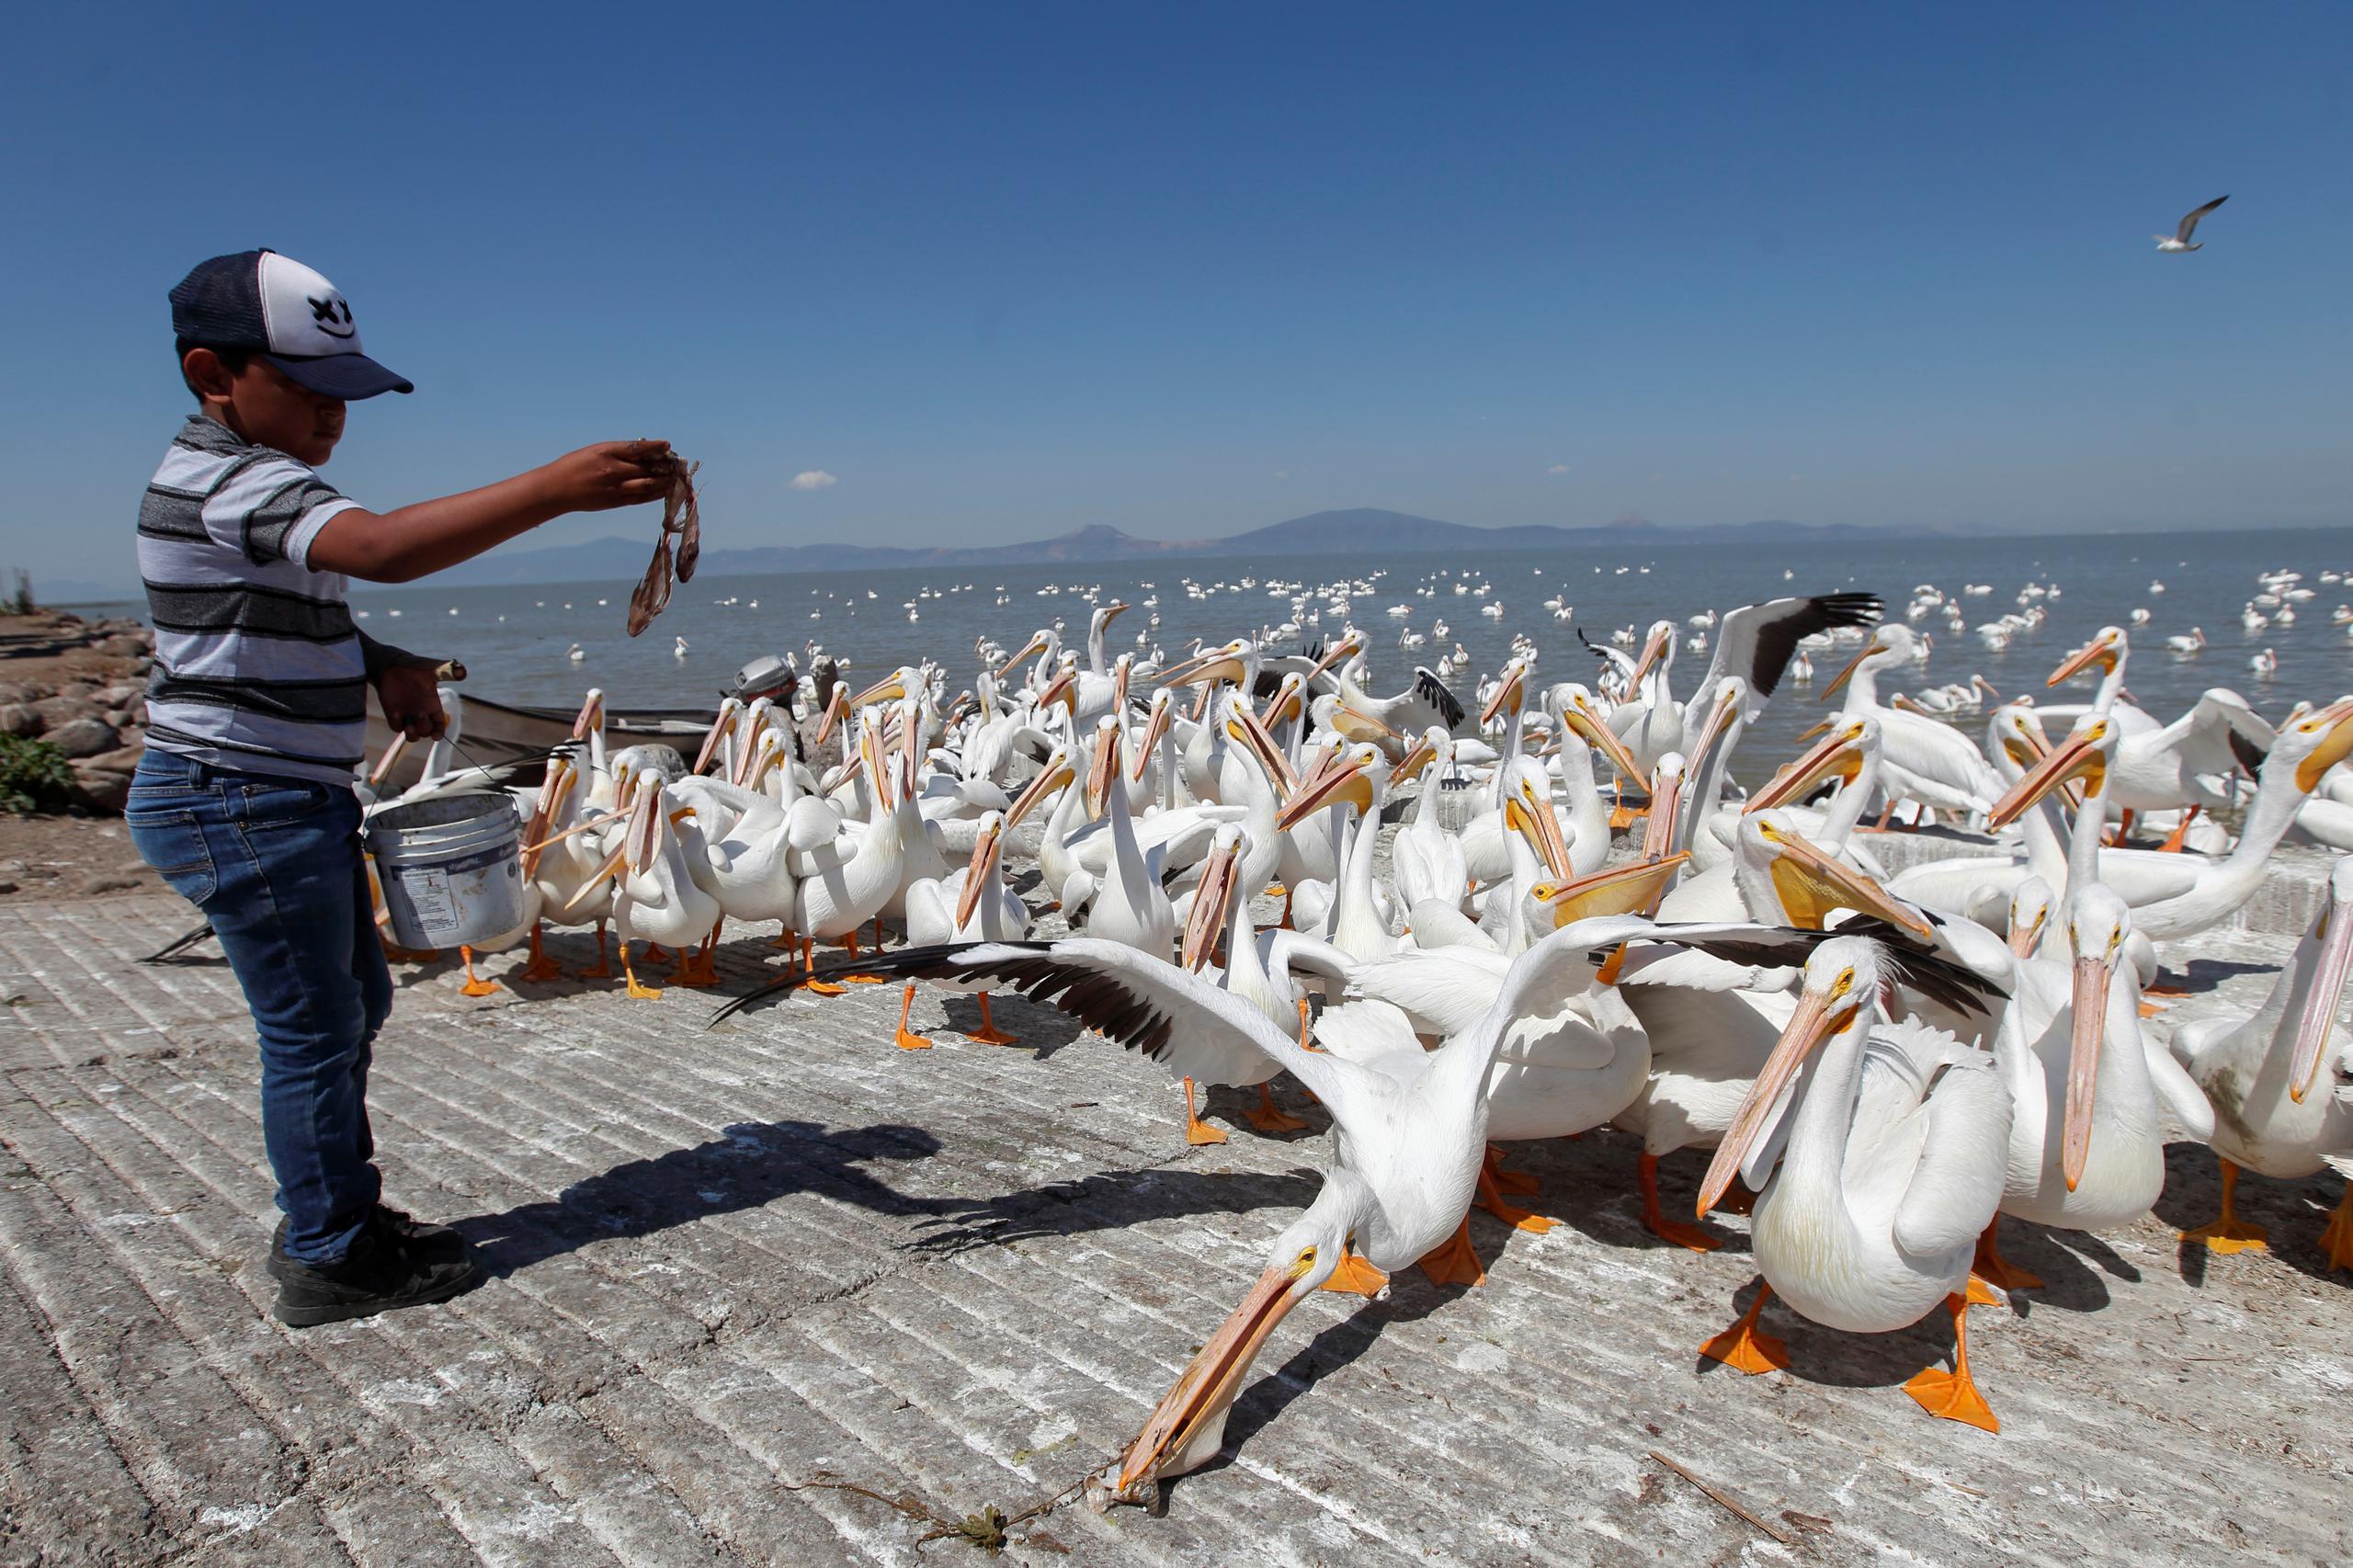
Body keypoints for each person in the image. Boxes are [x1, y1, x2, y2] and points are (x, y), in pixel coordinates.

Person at [126, 248, 677, 1327]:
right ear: (213, 373)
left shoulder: (248, 483)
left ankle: (341, 1210)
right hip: (234, 797)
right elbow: (376, 548)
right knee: (313, 1025)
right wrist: (551, 492)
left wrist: (378, 660)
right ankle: (330, 1251)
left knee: (352, 1004)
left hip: (274, 793)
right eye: (311, 390)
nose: (335, 416)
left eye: (347, 395)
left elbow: (281, 608)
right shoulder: (228, 476)